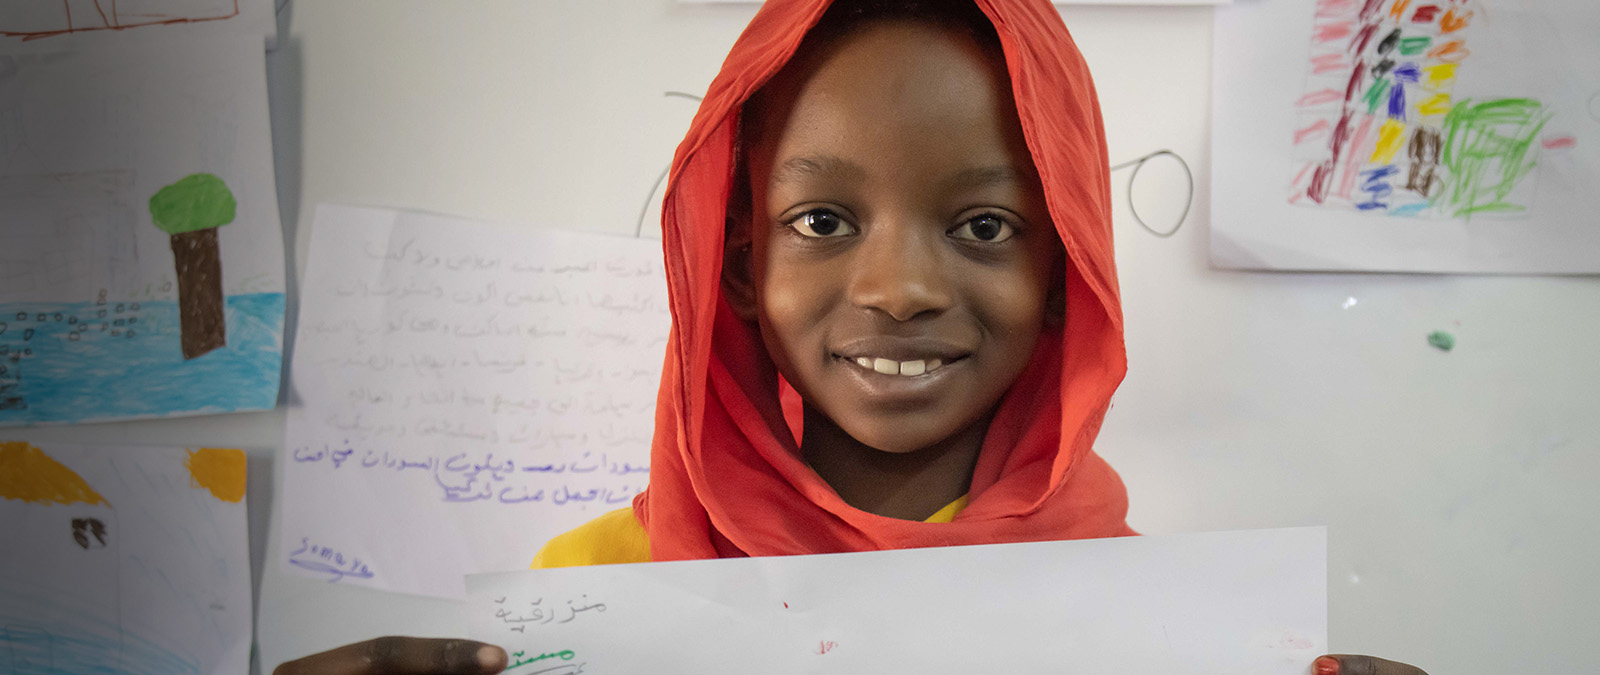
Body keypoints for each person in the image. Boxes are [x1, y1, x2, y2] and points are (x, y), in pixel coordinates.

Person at [274, 1, 1427, 674]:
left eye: (984, 226)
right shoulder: (590, 596)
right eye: (822, 222)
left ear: (1065, 274)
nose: (899, 288)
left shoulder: (1165, 633)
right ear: (740, 267)